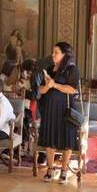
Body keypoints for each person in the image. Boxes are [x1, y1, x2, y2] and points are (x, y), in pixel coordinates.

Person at [38, 42, 80, 183]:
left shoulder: (72, 69)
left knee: (66, 138)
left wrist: (54, 84)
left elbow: (72, 89)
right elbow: (41, 90)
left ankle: (64, 171)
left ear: (64, 54)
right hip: (49, 107)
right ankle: (50, 169)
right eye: (53, 51)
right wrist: (47, 86)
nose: (53, 54)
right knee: (49, 138)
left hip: (65, 108)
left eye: (56, 52)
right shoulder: (50, 69)